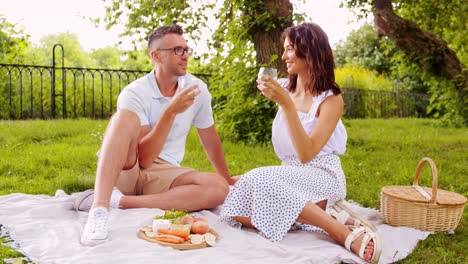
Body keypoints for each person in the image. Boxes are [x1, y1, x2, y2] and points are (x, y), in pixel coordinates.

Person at [219, 22, 381, 263]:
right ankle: (321, 213)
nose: (283, 56)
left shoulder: (331, 100)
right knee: (235, 208)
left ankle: (340, 231)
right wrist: (284, 99)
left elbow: (306, 154)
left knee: (259, 177)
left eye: (289, 49)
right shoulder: (284, 87)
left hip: (321, 173)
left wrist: (286, 105)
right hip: (290, 174)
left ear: (310, 50)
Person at [74, 24, 235, 246]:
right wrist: (170, 112)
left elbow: (209, 137)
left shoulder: (197, 89)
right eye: (177, 50)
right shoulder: (135, 93)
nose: (185, 55)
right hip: (129, 167)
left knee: (218, 187)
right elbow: (145, 158)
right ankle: (99, 209)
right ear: (156, 56)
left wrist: (226, 177)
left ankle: (121, 202)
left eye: (186, 49)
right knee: (123, 118)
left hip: (165, 171)